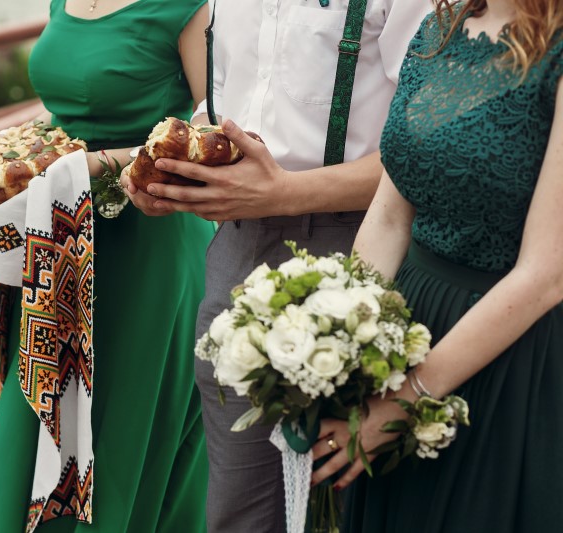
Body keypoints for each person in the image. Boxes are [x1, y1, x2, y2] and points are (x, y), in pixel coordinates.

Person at [120, 0, 430, 531]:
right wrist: (177, 171)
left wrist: (287, 192)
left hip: (365, 246)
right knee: (240, 509)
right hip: (236, 252)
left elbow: (429, 146)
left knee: (350, 503)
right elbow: (223, 107)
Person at [0, 0, 214, 531]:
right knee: (37, 416)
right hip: (60, 241)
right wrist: (18, 159)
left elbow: (212, 139)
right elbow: (66, 113)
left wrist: (90, 167)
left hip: (147, 241)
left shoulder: (192, 8)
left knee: (113, 435)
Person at [305, 0, 563, 531]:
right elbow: (390, 215)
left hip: (512, 355)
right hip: (410, 324)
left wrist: (406, 400)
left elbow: (546, 274)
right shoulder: (440, 29)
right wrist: (347, 342)